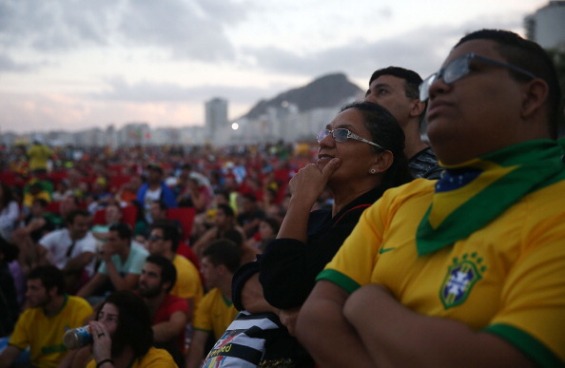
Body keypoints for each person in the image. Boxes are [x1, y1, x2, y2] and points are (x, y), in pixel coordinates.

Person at [296, 29, 565, 367]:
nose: (436, 87)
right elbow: (315, 320)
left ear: (530, 97)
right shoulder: (398, 202)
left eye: (464, 69)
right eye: (437, 78)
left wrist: (366, 302)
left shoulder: (556, 211)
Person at [256, 101, 412, 317]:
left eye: (343, 134)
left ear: (380, 160)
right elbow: (256, 271)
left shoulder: (374, 222)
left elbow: (281, 287)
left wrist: (300, 200)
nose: (325, 142)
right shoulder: (320, 218)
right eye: (327, 132)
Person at [0, 266, 93, 368]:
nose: (27, 294)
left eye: (34, 289)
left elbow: (81, 351)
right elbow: (11, 352)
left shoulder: (80, 308)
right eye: (28, 288)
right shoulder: (29, 315)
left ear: (53, 290)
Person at [365, 66, 442, 179]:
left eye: (382, 91)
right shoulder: (368, 169)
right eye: (368, 93)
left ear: (415, 107)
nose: (368, 100)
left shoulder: (438, 174)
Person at [186, 239, 241, 368]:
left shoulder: (251, 298)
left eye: (205, 266)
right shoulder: (208, 300)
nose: (201, 271)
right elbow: (197, 344)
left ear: (221, 269)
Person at [85, 291, 177, 367]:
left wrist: (104, 361)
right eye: (100, 316)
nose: (100, 324)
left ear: (130, 328)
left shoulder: (160, 362)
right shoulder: (93, 365)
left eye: (111, 319)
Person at [146, 220, 203, 322]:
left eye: (155, 238)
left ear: (168, 243)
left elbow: (188, 313)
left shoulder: (183, 272)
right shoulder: (153, 263)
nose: (149, 242)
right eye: (149, 237)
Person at [78, 223, 148, 304]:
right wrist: (74, 301)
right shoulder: (113, 253)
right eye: (108, 240)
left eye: (112, 240)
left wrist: (108, 261)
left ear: (125, 241)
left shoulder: (141, 255)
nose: (108, 243)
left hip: (133, 300)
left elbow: (124, 289)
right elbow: (94, 283)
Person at [138, 255, 188, 368]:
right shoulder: (133, 298)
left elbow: (174, 327)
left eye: (151, 275)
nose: (143, 279)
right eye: (143, 272)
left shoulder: (176, 303)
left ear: (166, 284)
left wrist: (134, 335)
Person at [38, 209, 97, 293]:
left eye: (86, 225)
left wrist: (62, 271)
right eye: (80, 225)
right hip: (54, 271)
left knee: (75, 272)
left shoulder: (89, 239)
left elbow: (85, 258)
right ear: (70, 225)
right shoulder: (60, 234)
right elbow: (41, 247)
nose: (85, 228)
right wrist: (46, 256)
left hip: (75, 276)